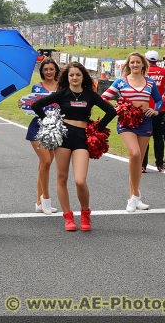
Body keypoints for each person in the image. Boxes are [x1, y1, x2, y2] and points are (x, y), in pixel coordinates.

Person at [33, 63, 117, 232]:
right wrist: (50, 122)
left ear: (83, 77)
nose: (75, 78)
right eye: (71, 75)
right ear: (67, 77)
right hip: (63, 138)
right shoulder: (62, 93)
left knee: (80, 181)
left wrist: (98, 129)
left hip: (82, 139)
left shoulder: (90, 95)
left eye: (78, 74)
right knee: (62, 178)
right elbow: (37, 105)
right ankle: (68, 216)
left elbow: (111, 111)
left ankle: (85, 213)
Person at [101, 52, 163, 212]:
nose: (135, 65)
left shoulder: (149, 82)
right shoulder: (121, 81)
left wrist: (155, 111)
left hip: (145, 121)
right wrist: (116, 109)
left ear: (143, 64)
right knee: (134, 154)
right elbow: (104, 97)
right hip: (126, 122)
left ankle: (135, 197)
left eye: (138, 62)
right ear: (128, 65)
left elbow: (159, 100)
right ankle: (134, 196)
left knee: (139, 160)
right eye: (132, 62)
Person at [25, 57, 60, 215]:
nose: (48, 72)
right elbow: (31, 106)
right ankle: (46, 199)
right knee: (46, 160)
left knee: (44, 164)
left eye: (51, 69)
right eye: (45, 69)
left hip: (55, 128)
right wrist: (23, 104)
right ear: (42, 72)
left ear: (56, 70)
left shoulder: (62, 87)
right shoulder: (37, 87)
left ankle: (39, 201)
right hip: (37, 127)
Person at [142, 51, 165, 172]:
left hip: (144, 108)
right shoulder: (164, 71)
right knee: (159, 137)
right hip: (160, 108)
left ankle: (143, 165)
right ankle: (160, 164)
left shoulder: (143, 72)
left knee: (144, 137)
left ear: (146, 59)